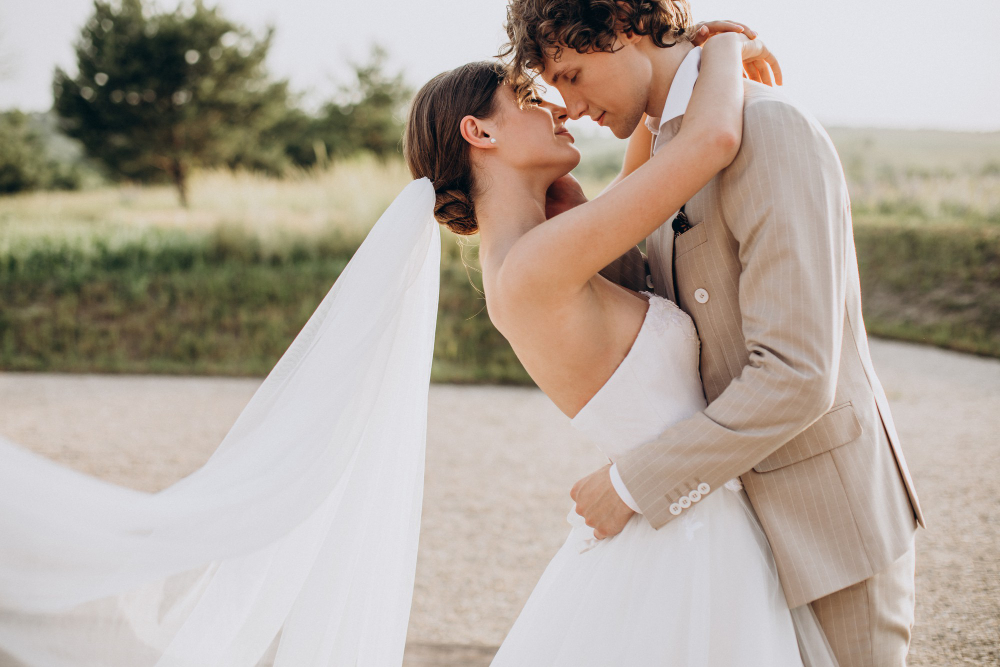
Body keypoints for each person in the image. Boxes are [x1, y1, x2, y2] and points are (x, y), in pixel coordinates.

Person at [500, 1, 925, 665]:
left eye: (575, 75)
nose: (573, 107)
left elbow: (797, 373)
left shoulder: (771, 130)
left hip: (827, 532)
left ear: (625, 25)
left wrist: (632, 485)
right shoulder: (673, 155)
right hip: (725, 542)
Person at [404, 26, 837, 665]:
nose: (558, 106)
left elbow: (650, 152)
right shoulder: (534, 264)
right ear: (481, 132)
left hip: (688, 512)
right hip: (689, 535)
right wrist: (720, 47)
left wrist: (662, 61)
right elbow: (711, 141)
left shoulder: (544, 246)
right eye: (529, 95)